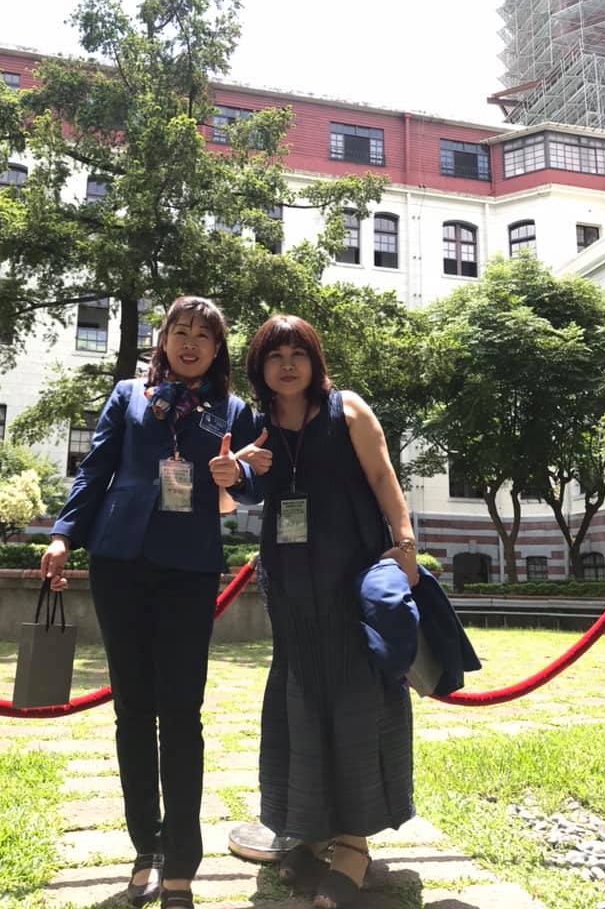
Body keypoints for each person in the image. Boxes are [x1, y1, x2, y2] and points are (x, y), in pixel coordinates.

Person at [41, 296, 258, 909]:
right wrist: (63, 534)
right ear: (163, 339)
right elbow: (96, 469)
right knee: (133, 710)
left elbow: (257, 480)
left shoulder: (232, 409)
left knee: (182, 713)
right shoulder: (128, 395)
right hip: (120, 560)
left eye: (203, 336)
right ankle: (146, 849)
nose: (189, 343)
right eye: (179, 332)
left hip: (188, 567)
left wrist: (239, 476)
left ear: (217, 349)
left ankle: (182, 860)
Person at [238, 314, 418, 909]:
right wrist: (233, 473)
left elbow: (383, 475)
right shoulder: (257, 427)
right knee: (301, 704)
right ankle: (308, 829)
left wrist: (406, 543)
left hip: (351, 580)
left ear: (314, 361)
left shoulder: (348, 410)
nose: (287, 364)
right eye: (275, 355)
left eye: (298, 352)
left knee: (353, 702)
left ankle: (353, 845)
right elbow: (235, 493)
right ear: (260, 367)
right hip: (290, 590)